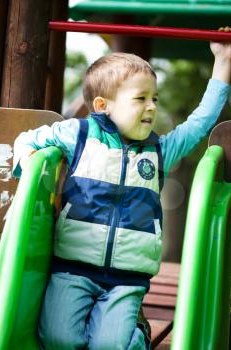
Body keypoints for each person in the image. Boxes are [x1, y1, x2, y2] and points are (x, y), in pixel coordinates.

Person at [13, 28, 231, 350]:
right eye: (140, 99)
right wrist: (30, 162)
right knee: (59, 339)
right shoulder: (79, 135)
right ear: (103, 105)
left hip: (127, 277)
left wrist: (224, 61)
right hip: (72, 267)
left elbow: (199, 123)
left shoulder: (158, 151)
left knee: (110, 345)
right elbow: (28, 138)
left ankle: (136, 334)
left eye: (154, 98)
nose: (151, 107)